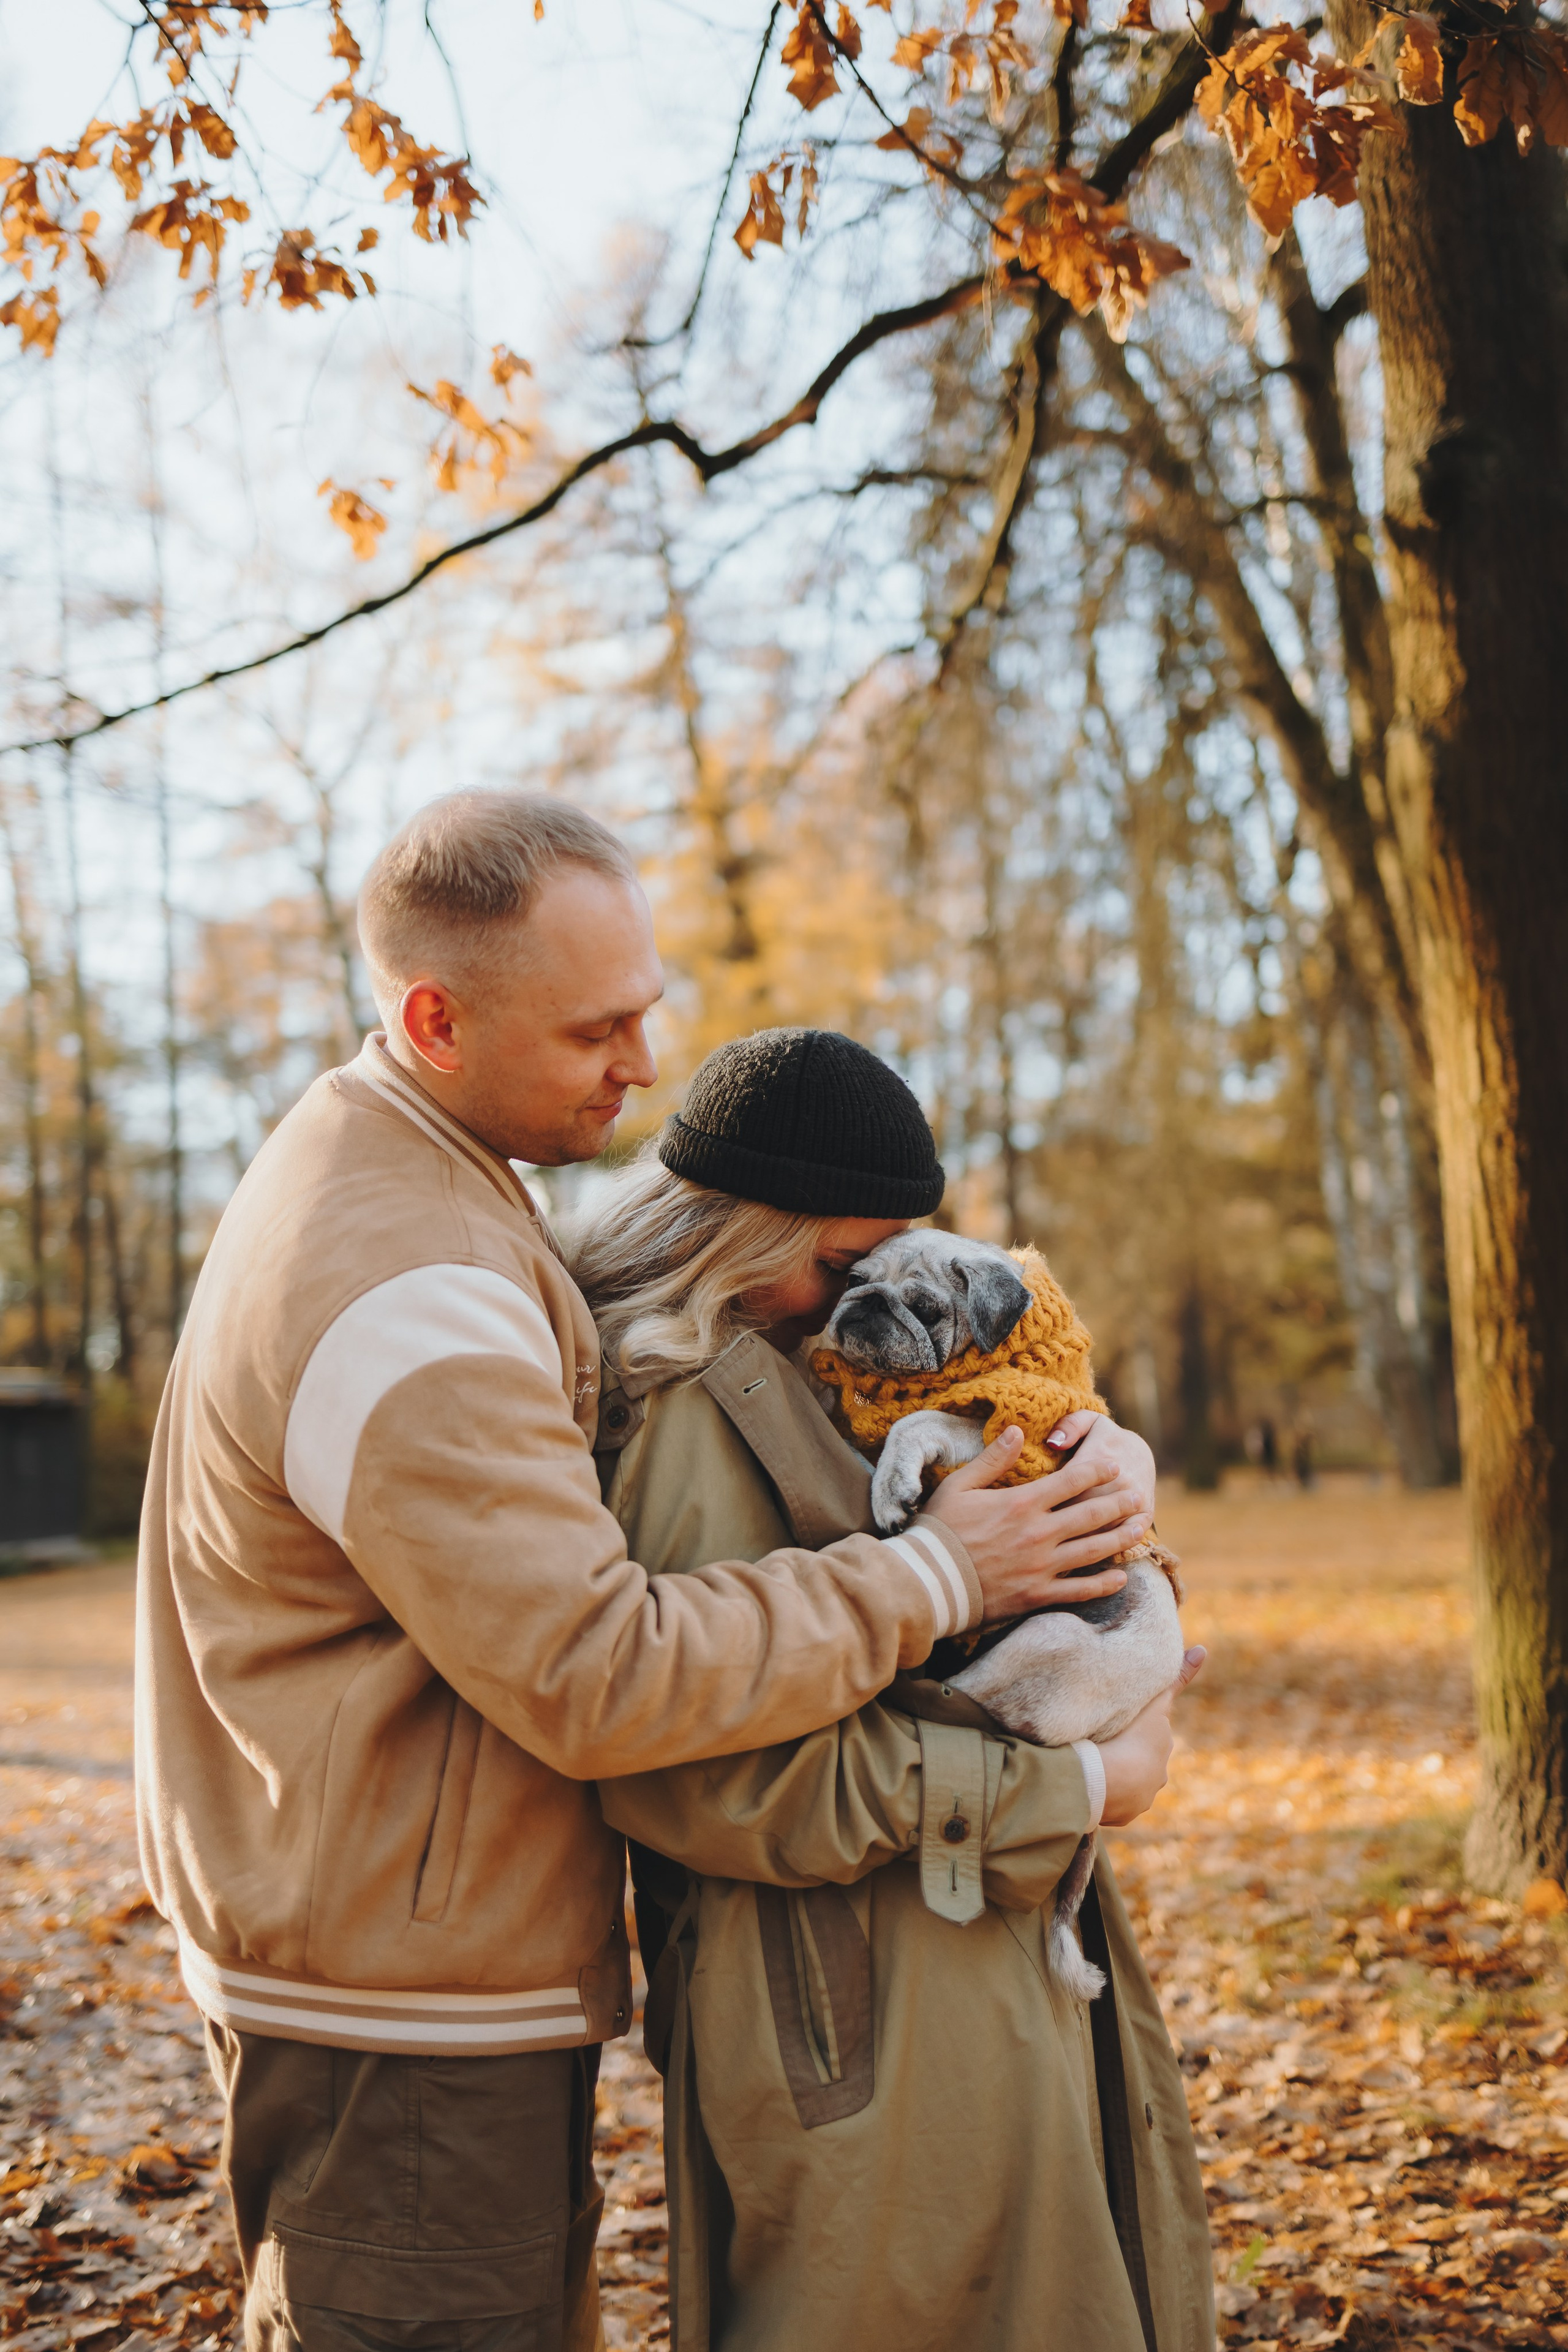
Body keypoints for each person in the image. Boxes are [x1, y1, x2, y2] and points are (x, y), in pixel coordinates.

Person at [135, 793, 1160, 2352]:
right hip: (391, 2007)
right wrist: (949, 1589)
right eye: (596, 1026)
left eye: (646, 1010)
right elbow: (602, 1680)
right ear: (435, 1017)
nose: (638, 1060)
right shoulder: (414, 1286)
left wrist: (1082, 1480)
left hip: (413, 1967)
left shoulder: (436, 1193)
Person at [570, 1029, 1214, 2352]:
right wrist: (1078, 1785)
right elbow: (703, 1770)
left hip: (953, 1944)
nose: (849, 1303)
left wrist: (1105, 1478)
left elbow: (980, 1577)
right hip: (848, 2003)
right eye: (833, 1268)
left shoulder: (813, 1367)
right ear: (741, 1237)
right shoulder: (684, 1409)